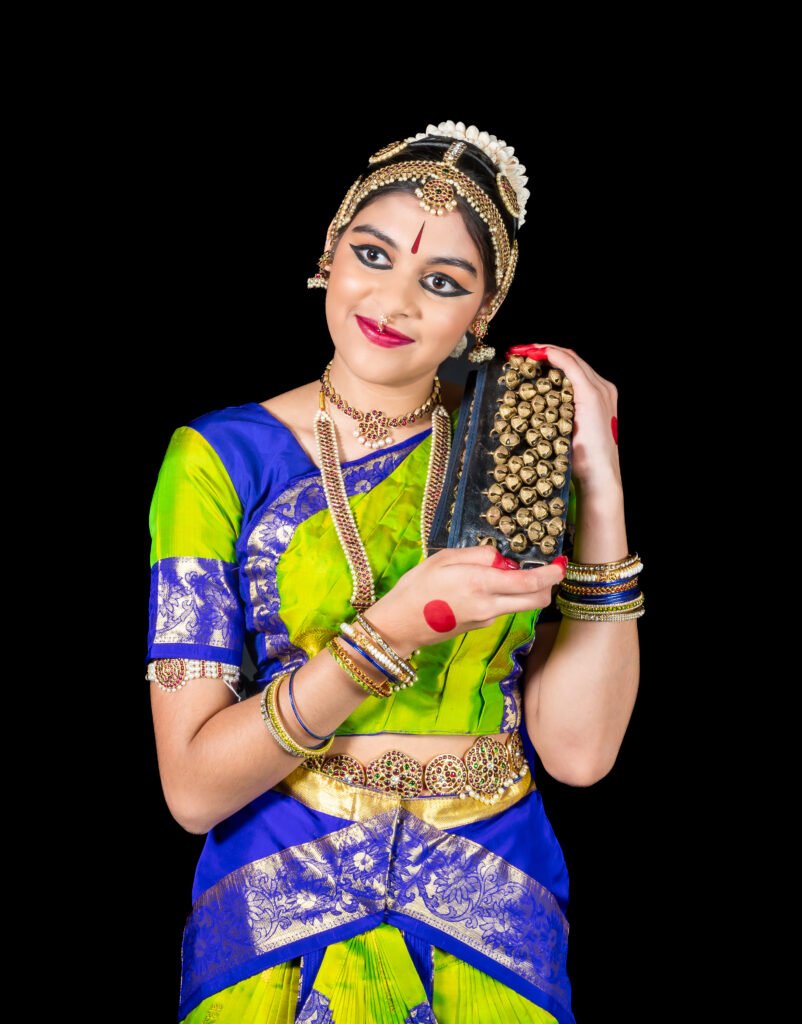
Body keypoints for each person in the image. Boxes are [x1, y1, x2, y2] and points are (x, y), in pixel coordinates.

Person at [145, 120, 644, 1024]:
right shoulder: (217, 461)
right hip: (280, 889)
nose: (394, 299)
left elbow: (579, 754)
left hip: (492, 893)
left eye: (442, 281)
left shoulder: (514, 456)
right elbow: (191, 789)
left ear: (482, 312)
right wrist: (387, 635)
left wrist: (600, 486)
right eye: (372, 255)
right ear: (329, 253)